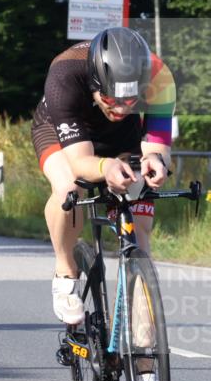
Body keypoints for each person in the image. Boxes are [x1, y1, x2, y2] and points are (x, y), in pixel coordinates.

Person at [31, 27, 176, 324]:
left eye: (132, 99)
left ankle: (146, 364)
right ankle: (65, 271)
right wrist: (105, 167)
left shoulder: (160, 76)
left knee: (140, 235)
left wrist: (155, 161)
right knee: (70, 188)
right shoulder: (65, 74)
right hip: (60, 132)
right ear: (95, 83)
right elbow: (81, 160)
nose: (122, 107)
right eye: (112, 99)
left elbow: (157, 143)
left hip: (122, 137)